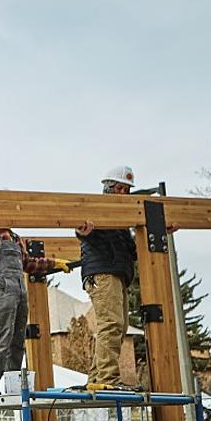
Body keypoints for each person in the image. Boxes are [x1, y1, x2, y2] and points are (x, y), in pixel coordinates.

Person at [0, 229, 71, 395]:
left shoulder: (16, 238)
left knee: (18, 339)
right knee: (3, 336)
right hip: (1, 289)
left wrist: (53, 263)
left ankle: (13, 384)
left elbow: (28, 264)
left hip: (19, 291)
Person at [75, 166, 138, 391]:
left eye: (127, 190)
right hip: (102, 272)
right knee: (110, 325)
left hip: (118, 273)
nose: (124, 193)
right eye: (120, 188)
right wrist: (83, 230)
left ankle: (96, 379)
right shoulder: (97, 208)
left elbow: (134, 251)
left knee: (118, 328)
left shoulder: (121, 221)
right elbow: (83, 231)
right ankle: (108, 380)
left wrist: (159, 231)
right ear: (108, 188)